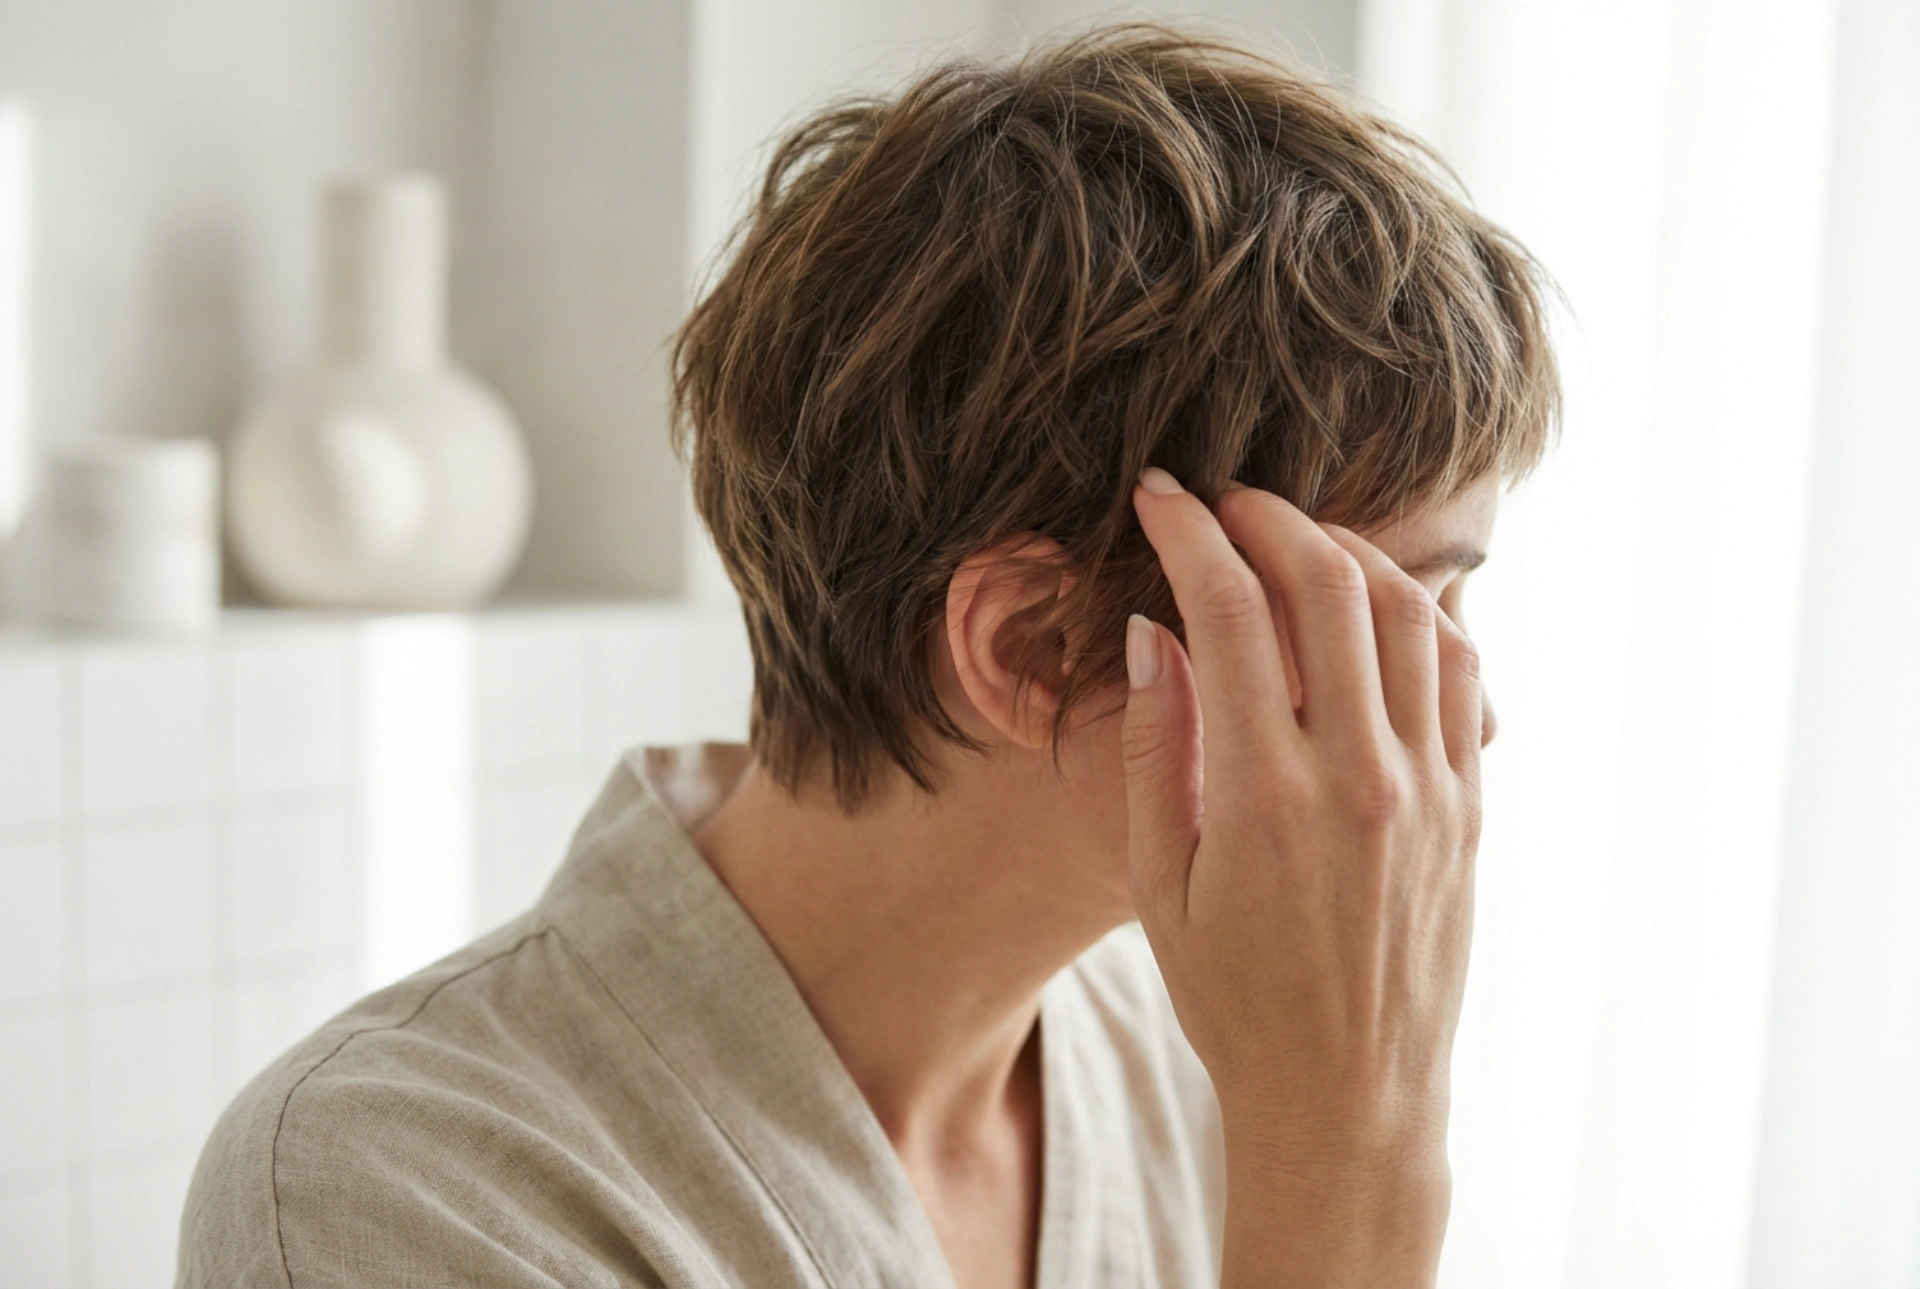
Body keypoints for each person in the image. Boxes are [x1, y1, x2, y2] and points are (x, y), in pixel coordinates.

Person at [179, 25, 1558, 1289]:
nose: (1463, 715)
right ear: (1031, 646)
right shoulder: (391, 1192)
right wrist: (1349, 1159)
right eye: (1387, 614)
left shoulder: (1198, 1064)